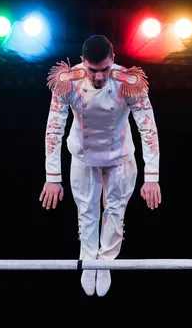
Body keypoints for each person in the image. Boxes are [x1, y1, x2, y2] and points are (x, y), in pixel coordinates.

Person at [39, 35, 161, 296]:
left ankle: (105, 261)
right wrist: (52, 176)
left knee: (115, 212)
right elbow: (53, 129)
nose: (98, 76)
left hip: (120, 156)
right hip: (84, 155)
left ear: (113, 60)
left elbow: (148, 129)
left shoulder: (128, 82)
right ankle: (89, 260)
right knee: (87, 211)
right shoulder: (67, 82)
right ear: (83, 63)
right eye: (93, 70)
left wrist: (152, 177)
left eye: (105, 69)